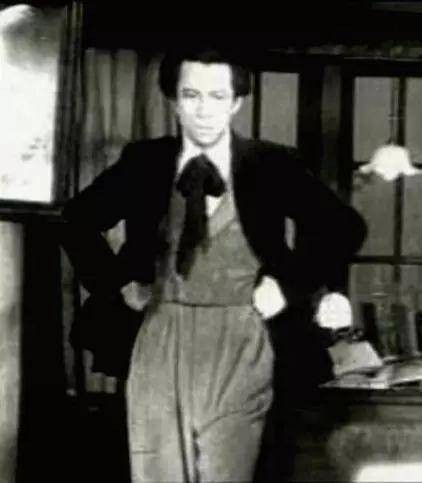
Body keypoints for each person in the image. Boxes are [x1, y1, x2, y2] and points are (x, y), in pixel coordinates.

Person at [59, 46, 367, 483]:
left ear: (236, 102)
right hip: (159, 335)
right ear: (173, 100)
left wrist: (288, 285)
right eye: (191, 95)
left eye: (218, 96)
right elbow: (75, 221)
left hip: (244, 338)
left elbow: (344, 227)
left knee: (230, 472)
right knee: (158, 472)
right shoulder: (145, 162)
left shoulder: (272, 164)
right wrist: (117, 284)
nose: (204, 110)